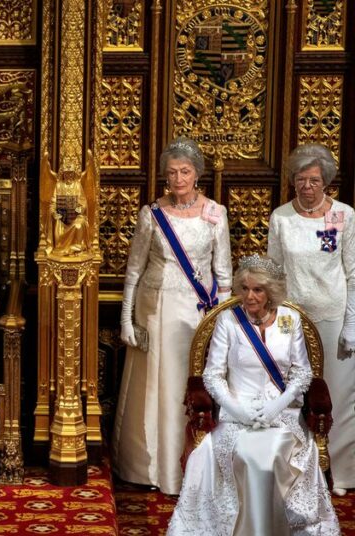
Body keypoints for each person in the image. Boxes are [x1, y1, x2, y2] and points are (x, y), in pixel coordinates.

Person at [167, 255, 339, 535]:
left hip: (282, 414)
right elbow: (212, 375)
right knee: (250, 457)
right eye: (244, 288)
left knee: (272, 457)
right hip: (236, 414)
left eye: (257, 289)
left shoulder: (290, 319)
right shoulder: (227, 320)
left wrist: (276, 407)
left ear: (271, 291)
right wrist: (239, 411)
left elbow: (302, 374)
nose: (249, 296)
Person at [115, 136, 232, 495]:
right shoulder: (151, 213)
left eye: (185, 172)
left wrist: (224, 325)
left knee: (189, 383)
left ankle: (192, 466)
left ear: (197, 175)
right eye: (172, 172)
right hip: (154, 308)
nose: (178, 179)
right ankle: (148, 467)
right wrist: (126, 320)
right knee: (153, 385)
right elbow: (133, 270)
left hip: (197, 313)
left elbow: (224, 274)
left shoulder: (215, 213)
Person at [268, 143, 355, 496]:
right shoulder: (281, 217)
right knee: (291, 395)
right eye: (301, 179)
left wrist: (352, 324)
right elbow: (273, 273)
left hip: (333, 316)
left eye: (314, 180)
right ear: (293, 182)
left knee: (337, 395)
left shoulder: (345, 216)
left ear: (326, 182)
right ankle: (294, 472)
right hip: (291, 319)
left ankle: (341, 473)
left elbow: (353, 273)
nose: (307, 186)